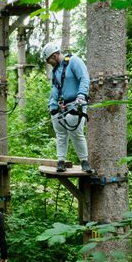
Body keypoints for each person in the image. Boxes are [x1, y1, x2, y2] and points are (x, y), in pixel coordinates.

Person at [42, 43, 92, 173]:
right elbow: (55, 90)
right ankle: (61, 161)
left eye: (49, 61)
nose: (49, 64)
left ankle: (84, 161)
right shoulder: (56, 71)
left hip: (76, 104)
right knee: (60, 134)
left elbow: (84, 79)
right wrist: (53, 106)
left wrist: (81, 96)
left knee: (76, 133)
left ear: (54, 55)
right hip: (61, 107)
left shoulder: (74, 62)